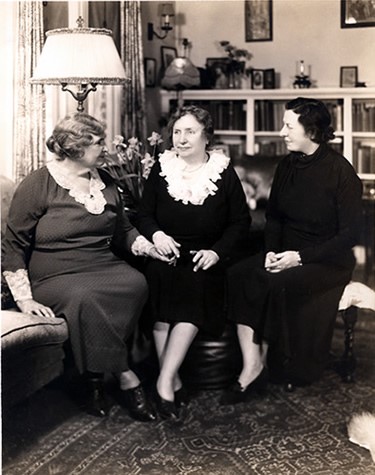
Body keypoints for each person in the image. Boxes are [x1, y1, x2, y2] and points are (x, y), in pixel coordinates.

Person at [2, 112, 170, 420]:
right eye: (98, 142)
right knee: (85, 297)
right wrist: (24, 298)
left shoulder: (105, 180)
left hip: (101, 265)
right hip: (54, 273)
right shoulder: (39, 183)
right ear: (76, 148)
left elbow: (123, 230)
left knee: (136, 282)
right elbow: (13, 242)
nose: (104, 148)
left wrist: (150, 248)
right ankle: (124, 376)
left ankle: (93, 377)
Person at [221, 97, 363, 404]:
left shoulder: (341, 172)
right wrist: (272, 252)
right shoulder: (286, 165)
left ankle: (281, 361)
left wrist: (299, 258)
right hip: (285, 253)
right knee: (239, 274)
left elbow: (349, 235)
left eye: (288, 125)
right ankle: (252, 364)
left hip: (328, 261)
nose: (281, 131)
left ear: (310, 131)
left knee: (274, 283)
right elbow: (274, 218)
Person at [137, 105, 250, 420]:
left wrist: (216, 252)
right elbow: (144, 214)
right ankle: (173, 379)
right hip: (166, 252)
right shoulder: (162, 168)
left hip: (205, 256)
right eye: (177, 132)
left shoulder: (223, 171)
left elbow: (240, 222)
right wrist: (157, 236)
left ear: (206, 137)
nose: (182, 139)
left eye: (190, 132)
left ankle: (162, 381)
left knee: (195, 284)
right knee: (157, 280)